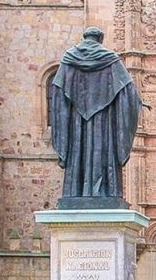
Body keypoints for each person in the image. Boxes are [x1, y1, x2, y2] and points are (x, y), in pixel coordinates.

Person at [49, 27, 142, 207]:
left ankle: (76, 191)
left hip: (77, 123)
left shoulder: (68, 59)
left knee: (79, 150)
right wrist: (137, 102)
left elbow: (58, 93)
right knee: (102, 149)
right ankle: (105, 191)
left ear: (85, 37)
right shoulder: (111, 59)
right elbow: (128, 90)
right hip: (104, 122)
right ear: (100, 39)